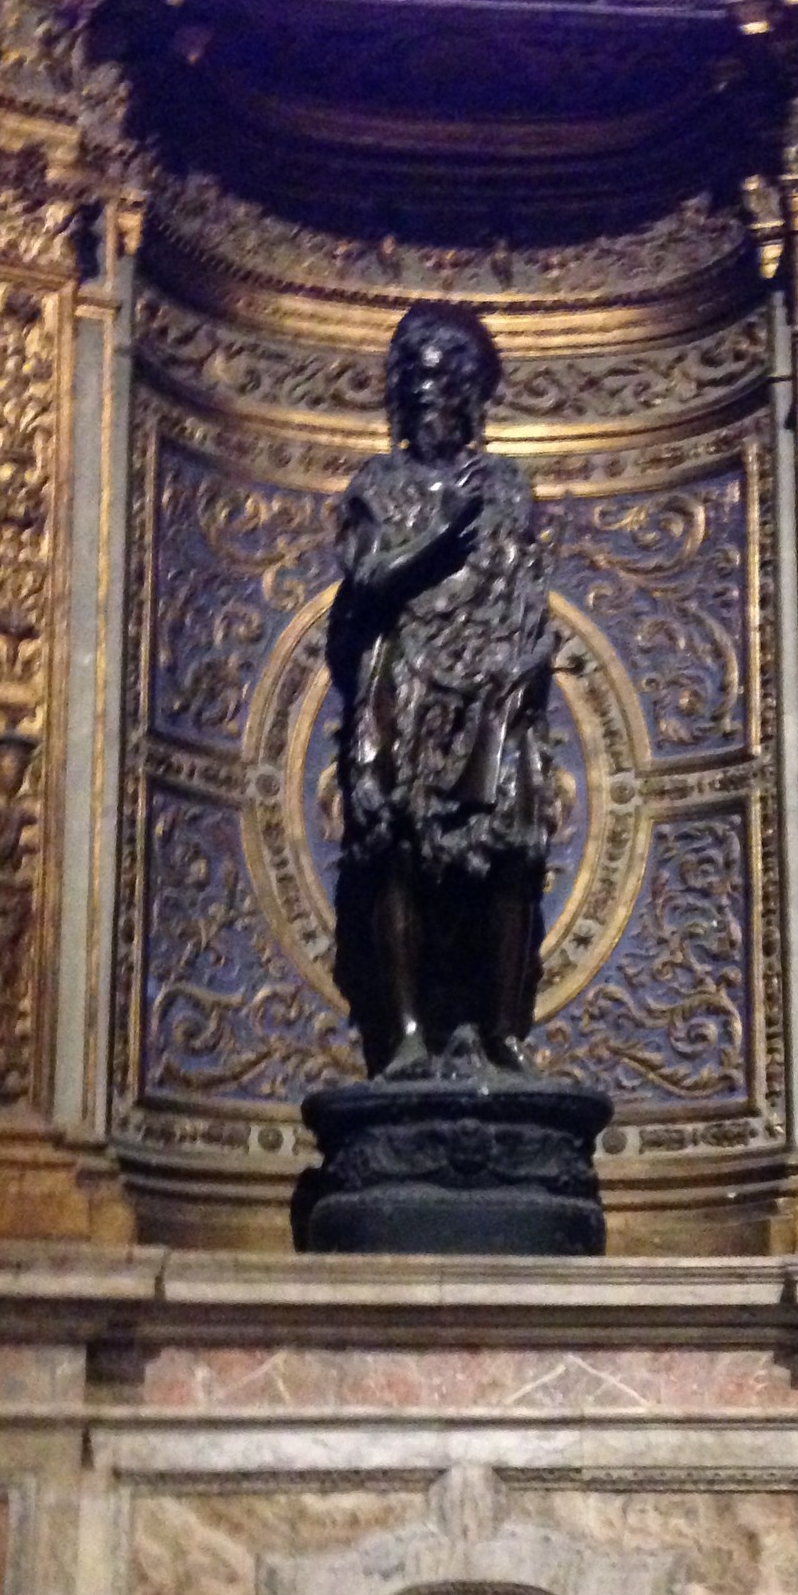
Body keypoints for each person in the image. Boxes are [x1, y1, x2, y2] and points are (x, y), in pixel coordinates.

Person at [325, 302, 554, 1076]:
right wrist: (439, 543)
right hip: (403, 681)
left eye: (446, 393)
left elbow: (526, 582)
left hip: (493, 680)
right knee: (393, 844)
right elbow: (366, 574)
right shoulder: (379, 482)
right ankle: (406, 1038)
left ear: (470, 399)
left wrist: (524, 667)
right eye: (416, 395)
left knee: (509, 849)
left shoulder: (504, 484)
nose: (431, 409)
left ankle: (498, 1031)